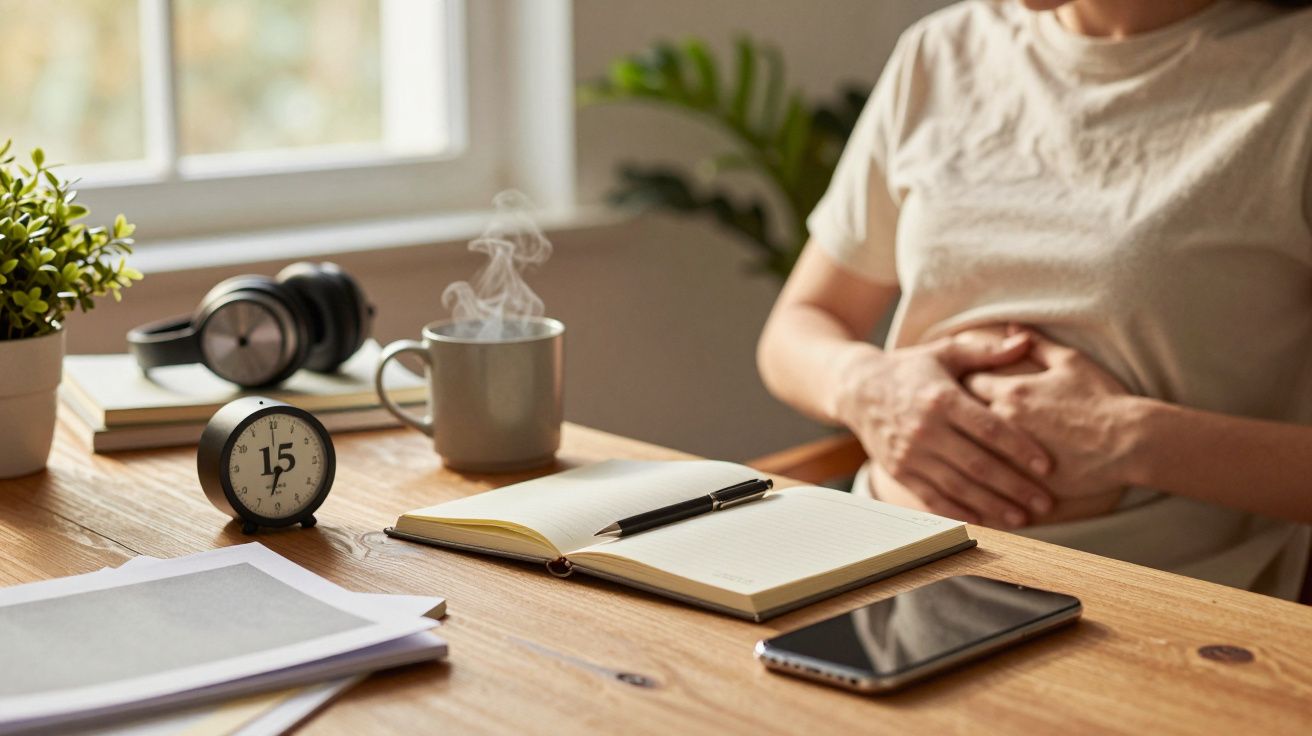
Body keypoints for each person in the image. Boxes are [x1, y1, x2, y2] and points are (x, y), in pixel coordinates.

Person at [757, 0, 1312, 599]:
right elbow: (800, 324)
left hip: (1167, 613)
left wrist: (1133, 441)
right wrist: (865, 385)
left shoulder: (1293, 72)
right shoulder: (943, 50)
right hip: (878, 572)